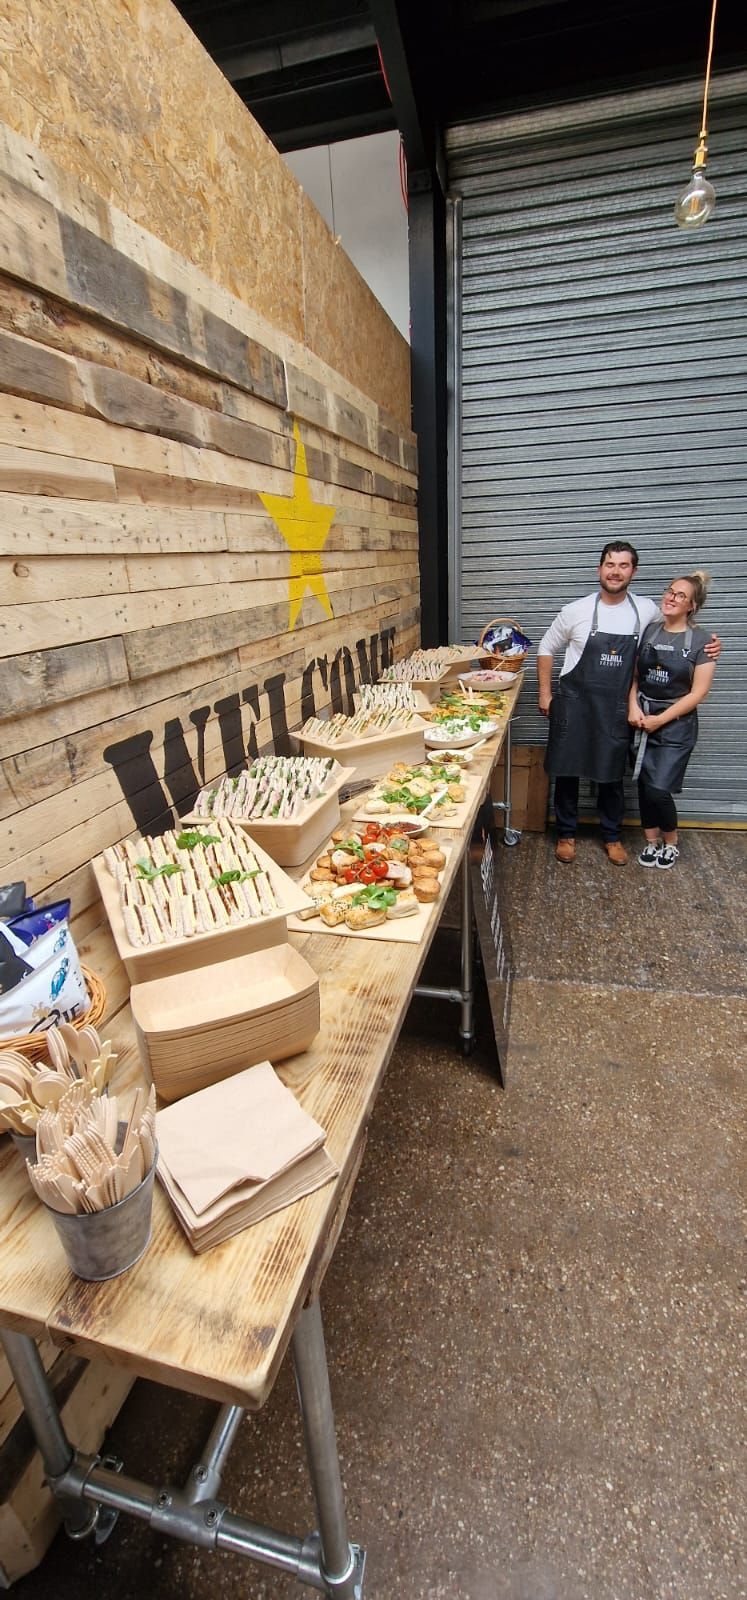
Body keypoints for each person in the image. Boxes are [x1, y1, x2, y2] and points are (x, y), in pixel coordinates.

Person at [536, 542, 720, 865]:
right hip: (575, 704)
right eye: (609, 564)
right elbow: (546, 648)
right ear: (599, 569)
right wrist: (544, 694)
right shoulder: (575, 610)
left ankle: (611, 836)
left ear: (633, 571)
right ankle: (566, 834)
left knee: (611, 774)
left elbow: (678, 629)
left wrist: (710, 644)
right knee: (567, 772)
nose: (615, 571)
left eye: (623, 565)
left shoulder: (646, 610)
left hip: (615, 707)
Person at [628, 571, 716, 870]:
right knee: (643, 783)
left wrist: (660, 719)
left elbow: (698, 693)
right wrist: (632, 708)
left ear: (692, 605)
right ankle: (651, 841)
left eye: (680, 596)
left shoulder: (703, 640)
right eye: (670, 591)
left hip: (676, 724)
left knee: (658, 788)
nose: (671, 598)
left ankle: (671, 842)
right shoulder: (650, 632)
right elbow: (635, 678)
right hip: (643, 718)